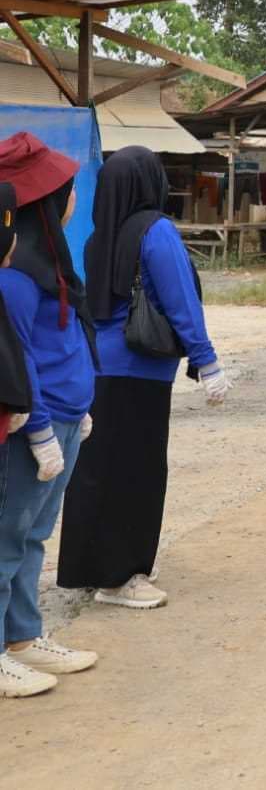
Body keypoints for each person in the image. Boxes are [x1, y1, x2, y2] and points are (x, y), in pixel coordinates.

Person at [56, 146, 228, 611]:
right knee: (137, 472)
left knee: (95, 472)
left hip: (98, 370)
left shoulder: (96, 238)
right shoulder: (157, 231)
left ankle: (86, 569)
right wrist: (207, 362)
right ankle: (121, 577)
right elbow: (179, 302)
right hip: (142, 372)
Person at [0, 137, 100, 695]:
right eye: (66, 194)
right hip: (33, 430)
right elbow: (17, 361)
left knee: (34, 533)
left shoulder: (51, 266)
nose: (72, 203)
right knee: (5, 536)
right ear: (46, 205)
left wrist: (79, 412)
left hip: (67, 417)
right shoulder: (13, 278)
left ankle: (22, 635)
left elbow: (66, 342)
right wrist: (39, 430)